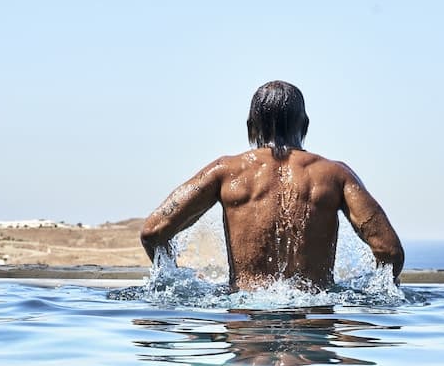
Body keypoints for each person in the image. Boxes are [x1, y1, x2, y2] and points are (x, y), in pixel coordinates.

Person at [140, 80, 404, 291]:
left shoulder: (225, 172)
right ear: (305, 125)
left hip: (245, 324)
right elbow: (389, 251)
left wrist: (175, 278)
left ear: (250, 126)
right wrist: (373, 293)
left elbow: (153, 232)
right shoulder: (335, 175)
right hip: (313, 322)